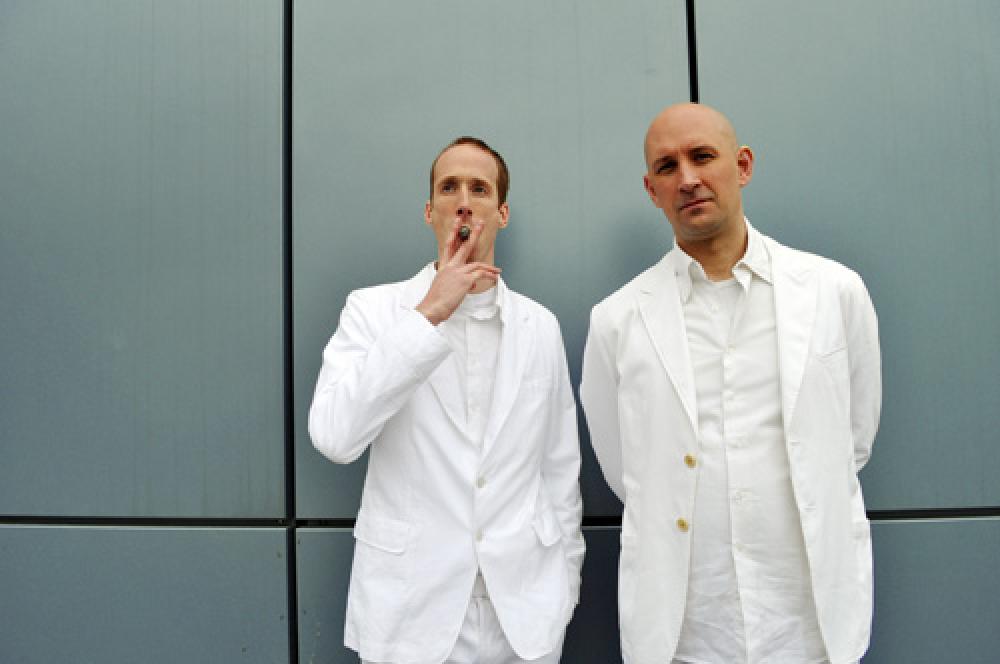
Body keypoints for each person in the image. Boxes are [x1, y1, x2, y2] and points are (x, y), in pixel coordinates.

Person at [580, 103, 881, 664]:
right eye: (667, 166)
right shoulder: (617, 320)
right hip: (686, 632)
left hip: (810, 626)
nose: (687, 178)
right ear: (651, 190)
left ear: (742, 166)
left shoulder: (833, 292)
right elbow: (627, 473)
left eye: (702, 157)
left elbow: (853, 440)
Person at [308, 136, 584, 664]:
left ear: (502, 213)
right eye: (449, 187)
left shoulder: (539, 325)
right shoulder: (373, 311)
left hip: (524, 618)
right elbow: (335, 437)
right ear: (429, 210)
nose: (463, 201)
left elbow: (558, 470)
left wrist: (562, 586)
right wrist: (427, 315)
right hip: (411, 615)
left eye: (479, 189)